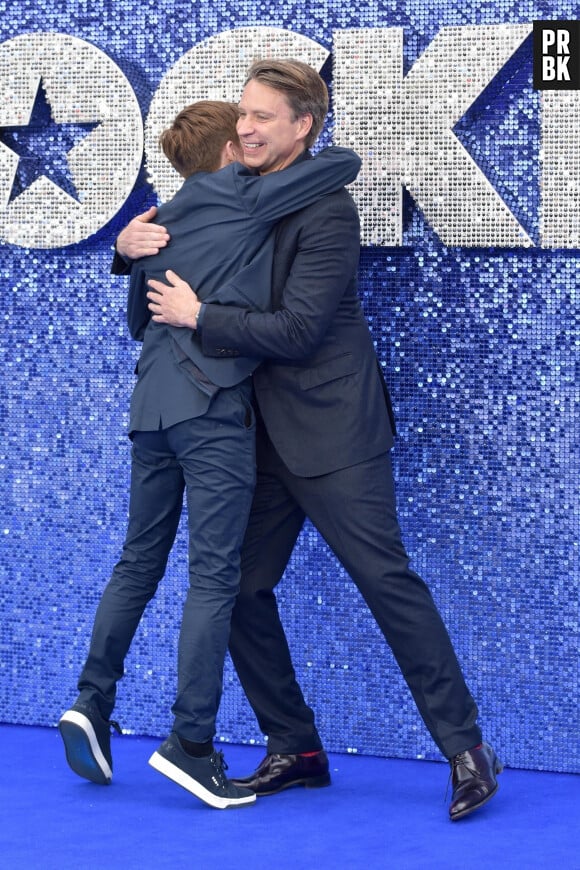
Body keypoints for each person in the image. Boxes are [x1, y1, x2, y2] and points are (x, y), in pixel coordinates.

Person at [118, 59, 503, 823]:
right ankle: (295, 746)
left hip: (332, 432)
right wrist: (128, 247)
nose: (248, 127)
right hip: (249, 434)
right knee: (237, 590)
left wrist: (202, 318)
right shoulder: (230, 191)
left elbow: (297, 330)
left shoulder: (327, 208)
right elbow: (173, 255)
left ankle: (466, 749)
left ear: (305, 128)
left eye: (265, 117)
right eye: (243, 113)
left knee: (387, 585)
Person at [58, 98, 360, 810]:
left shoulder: (155, 224)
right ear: (230, 149)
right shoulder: (243, 192)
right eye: (246, 131)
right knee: (214, 577)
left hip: (151, 411)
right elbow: (341, 165)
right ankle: (191, 744)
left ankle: (91, 703)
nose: (255, 139)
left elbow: (139, 320)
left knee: (138, 561)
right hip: (213, 410)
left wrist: (125, 250)